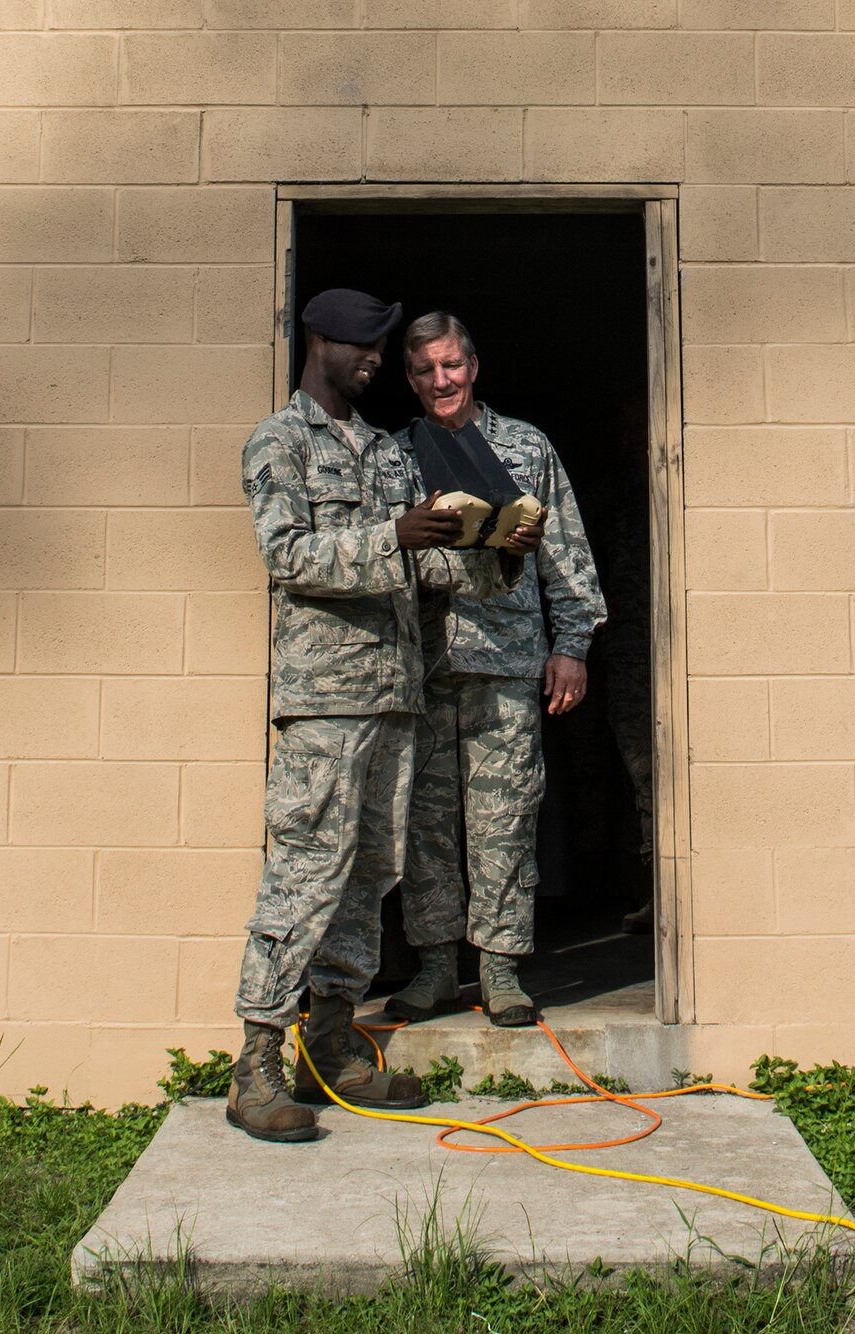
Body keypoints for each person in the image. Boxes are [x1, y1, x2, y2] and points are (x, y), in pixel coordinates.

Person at [227, 289, 540, 1144]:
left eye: (381, 346)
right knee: (305, 874)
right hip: (326, 705)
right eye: (364, 345)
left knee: (369, 879)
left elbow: (427, 569)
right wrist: (393, 537)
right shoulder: (279, 441)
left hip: (398, 700)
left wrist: (493, 560)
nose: (376, 359)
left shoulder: (386, 453)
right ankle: (255, 1065)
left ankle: (331, 1049)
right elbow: (288, 556)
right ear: (320, 342)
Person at [385, 311, 607, 1028]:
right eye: (425, 371)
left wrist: (571, 645)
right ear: (411, 379)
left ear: (473, 366)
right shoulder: (396, 455)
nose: (440, 381)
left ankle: (502, 969)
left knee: (504, 818)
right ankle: (436, 969)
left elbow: (564, 549)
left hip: (508, 663)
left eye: (451, 366)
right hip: (421, 666)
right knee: (426, 825)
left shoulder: (524, 445)